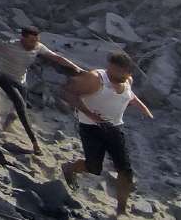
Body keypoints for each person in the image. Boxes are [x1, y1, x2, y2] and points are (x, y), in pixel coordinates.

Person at [0, 27, 84, 155]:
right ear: (23, 39)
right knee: (21, 106)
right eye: (31, 41)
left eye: (36, 40)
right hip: (4, 78)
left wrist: (76, 67)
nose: (34, 44)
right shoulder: (11, 45)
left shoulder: (38, 47)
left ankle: (2, 128)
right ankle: (34, 143)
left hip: (21, 81)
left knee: (15, 112)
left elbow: (57, 58)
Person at [60, 51, 154, 217]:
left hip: (115, 127)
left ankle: (121, 212)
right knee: (94, 167)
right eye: (117, 72)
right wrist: (90, 115)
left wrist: (143, 108)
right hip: (91, 128)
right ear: (110, 67)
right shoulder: (95, 79)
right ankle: (69, 167)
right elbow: (67, 93)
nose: (123, 76)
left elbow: (130, 95)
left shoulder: (128, 80)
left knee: (125, 170)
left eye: (125, 73)